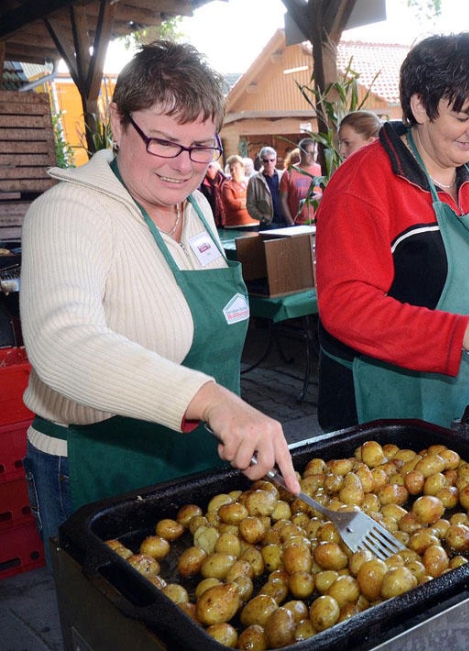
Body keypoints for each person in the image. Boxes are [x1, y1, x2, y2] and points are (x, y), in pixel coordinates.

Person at [19, 41, 299, 557]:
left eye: (201, 146)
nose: (184, 165)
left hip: (198, 457)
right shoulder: (68, 211)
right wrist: (213, 400)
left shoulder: (198, 210)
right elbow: (61, 343)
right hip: (98, 465)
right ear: (119, 121)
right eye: (165, 142)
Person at [314, 32, 469, 432]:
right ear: (420, 106)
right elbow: (345, 306)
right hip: (384, 407)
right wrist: (461, 334)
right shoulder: (364, 183)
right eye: (462, 116)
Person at [279, 138, 322, 224]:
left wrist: (321, 196)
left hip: (319, 221)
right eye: (309, 153)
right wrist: (290, 222)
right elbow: (283, 200)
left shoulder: (321, 170)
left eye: (315, 152)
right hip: (298, 223)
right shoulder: (289, 173)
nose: (313, 156)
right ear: (301, 153)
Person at [247, 146, 288, 228]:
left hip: (286, 221)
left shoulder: (283, 176)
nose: (269, 163)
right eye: (266, 161)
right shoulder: (254, 180)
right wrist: (263, 218)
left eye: (272, 160)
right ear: (261, 162)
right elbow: (250, 205)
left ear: (275, 161)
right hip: (268, 223)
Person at [221, 155, 259, 230]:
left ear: (242, 168)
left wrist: (239, 201)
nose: (233, 171)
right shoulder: (226, 185)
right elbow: (231, 203)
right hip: (235, 225)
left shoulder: (250, 182)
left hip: (254, 223)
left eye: (236, 168)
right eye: (231, 169)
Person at [198, 160, 227, 228]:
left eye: (210, 167)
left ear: (217, 168)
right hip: (210, 218)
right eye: (206, 167)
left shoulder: (225, 180)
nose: (207, 170)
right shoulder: (201, 184)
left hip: (228, 218)